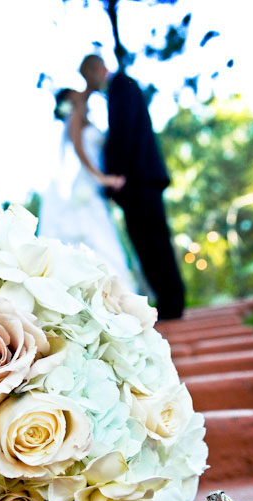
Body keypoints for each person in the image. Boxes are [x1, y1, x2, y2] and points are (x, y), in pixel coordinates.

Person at [79, 54, 185, 320]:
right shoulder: (121, 87)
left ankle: (172, 301)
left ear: (95, 70)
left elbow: (124, 133)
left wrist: (117, 178)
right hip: (140, 180)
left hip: (139, 181)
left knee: (152, 241)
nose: (88, 84)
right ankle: (169, 298)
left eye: (87, 77)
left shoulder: (121, 86)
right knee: (149, 242)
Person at [38, 88, 135, 289]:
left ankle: (114, 290)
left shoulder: (86, 122)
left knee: (103, 236)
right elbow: (80, 152)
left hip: (93, 187)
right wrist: (103, 178)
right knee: (95, 235)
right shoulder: (74, 119)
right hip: (87, 185)